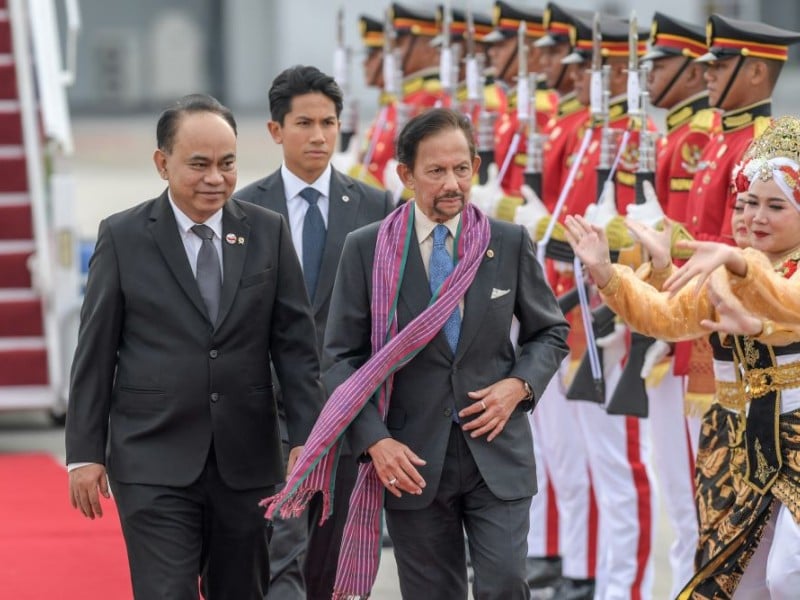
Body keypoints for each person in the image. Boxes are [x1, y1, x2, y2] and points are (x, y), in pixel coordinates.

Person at [262, 107, 569, 599]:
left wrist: (520, 385)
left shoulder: (506, 242)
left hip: (497, 455)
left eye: (463, 169)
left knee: (505, 585)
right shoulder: (369, 249)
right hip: (409, 460)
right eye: (436, 171)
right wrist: (374, 442)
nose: (453, 184)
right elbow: (339, 358)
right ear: (406, 175)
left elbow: (550, 334)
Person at [65, 94, 324, 600]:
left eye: (227, 164)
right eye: (199, 164)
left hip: (247, 459)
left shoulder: (267, 232)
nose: (215, 179)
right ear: (163, 163)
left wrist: (306, 440)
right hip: (152, 456)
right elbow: (94, 351)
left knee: (240, 590)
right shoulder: (123, 236)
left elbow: (295, 346)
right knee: (166, 591)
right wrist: (83, 453)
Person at [564, 115, 800, 598]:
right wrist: (609, 274)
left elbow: (788, 302)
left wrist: (739, 270)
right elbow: (667, 317)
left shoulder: (742, 265)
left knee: (789, 573)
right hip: (735, 443)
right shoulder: (722, 267)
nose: (754, 218)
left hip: (797, 440)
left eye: (775, 206)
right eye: (747, 203)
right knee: (738, 579)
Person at [236, 64, 393, 600]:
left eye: (329, 121)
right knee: (281, 555)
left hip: (347, 412)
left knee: (331, 564)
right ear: (276, 130)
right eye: (304, 123)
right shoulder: (245, 209)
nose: (320, 136)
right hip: (271, 415)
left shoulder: (375, 206)